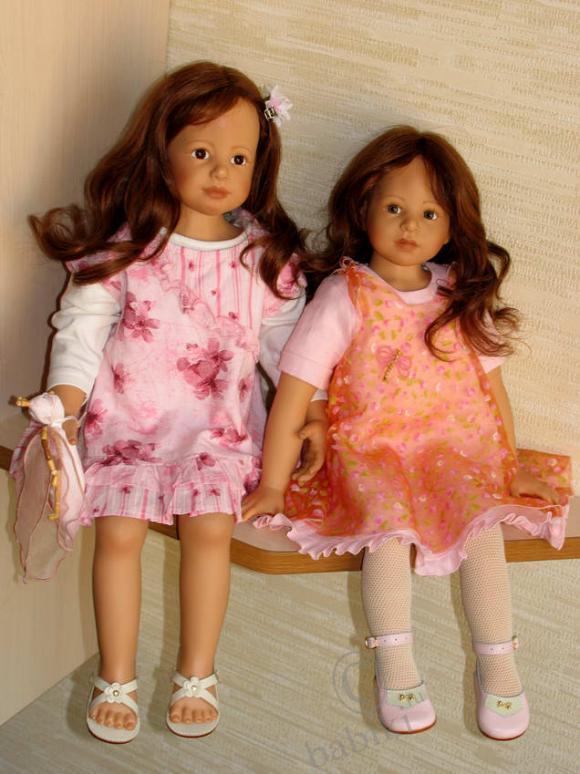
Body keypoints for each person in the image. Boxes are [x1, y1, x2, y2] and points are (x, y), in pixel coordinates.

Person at [25, 61, 326, 743]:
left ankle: (197, 673)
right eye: (200, 152)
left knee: (210, 530)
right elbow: (80, 330)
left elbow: (292, 352)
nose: (221, 170)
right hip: (127, 427)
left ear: (259, 165)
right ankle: (116, 676)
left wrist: (315, 408)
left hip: (214, 432)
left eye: (239, 157)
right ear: (161, 157)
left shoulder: (262, 259)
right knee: (118, 535)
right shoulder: (129, 249)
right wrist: (64, 405)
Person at [242, 126, 570, 740]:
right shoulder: (345, 295)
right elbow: (294, 394)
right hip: (373, 454)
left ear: (452, 227)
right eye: (394, 207)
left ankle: (499, 663)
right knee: (387, 534)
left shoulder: (457, 294)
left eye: (429, 213)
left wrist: (508, 466)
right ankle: (395, 666)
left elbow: (492, 392)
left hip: (454, 452)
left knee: (483, 529)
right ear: (363, 207)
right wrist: (274, 483)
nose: (410, 226)